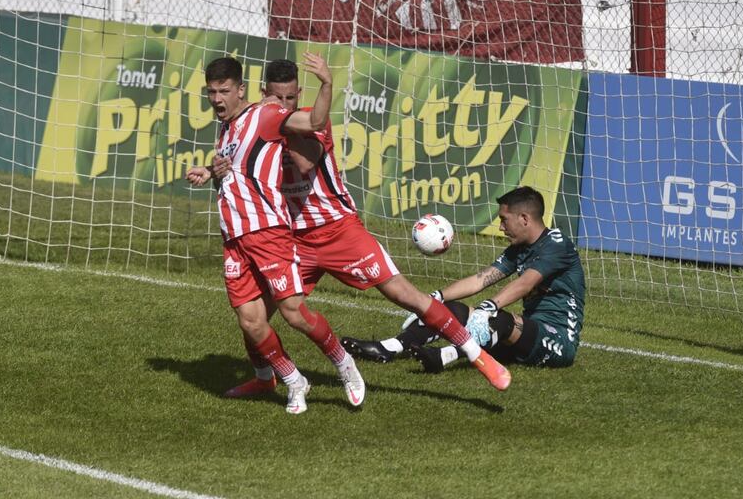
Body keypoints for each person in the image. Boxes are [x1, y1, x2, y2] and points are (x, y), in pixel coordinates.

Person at [219, 56, 511, 396]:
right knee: (253, 316)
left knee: (406, 295)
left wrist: (279, 121)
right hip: (291, 237)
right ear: (263, 92)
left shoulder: (308, 121)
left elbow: (305, 161)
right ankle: (264, 377)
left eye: (290, 98)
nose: (284, 105)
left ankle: (478, 355)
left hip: (339, 230)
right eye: (277, 98)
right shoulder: (254, 123)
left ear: (299, 93)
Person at [186, 53, 365, 414]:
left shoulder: (265, 116)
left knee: (294, 313)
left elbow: (314, 121)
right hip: (235, 238)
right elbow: (236, 172)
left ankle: (345, 364)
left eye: (223, 91)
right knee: (251, 322)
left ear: (241, 90)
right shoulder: (226, 129)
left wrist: (327, 83)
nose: (217, 99)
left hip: (268, 232)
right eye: (211, 92)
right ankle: (294, 380)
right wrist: (211, 171)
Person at [341, 186, 586, 373]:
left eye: (504, 219)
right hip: (524, 338)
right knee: (449, 310)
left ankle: (443, 357)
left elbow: (526, 284)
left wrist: (488, 307)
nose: (501, 227)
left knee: (498, 319)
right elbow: (481, 280)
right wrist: (436, 298)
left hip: (557, 342)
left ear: (524, 218)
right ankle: (388, 348)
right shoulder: (520, 247)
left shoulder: (556, 245)